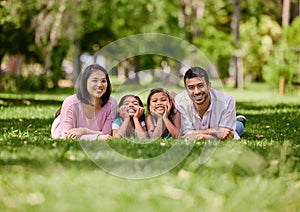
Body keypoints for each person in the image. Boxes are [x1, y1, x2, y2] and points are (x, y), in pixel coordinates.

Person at [175, 66, 246, 140]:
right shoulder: (180, 102)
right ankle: (238, 121)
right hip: (216, 128)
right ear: (186, 89)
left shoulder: (227, 101)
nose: (197, 92)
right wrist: (213, 132)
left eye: (201, 85)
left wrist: (196, 135)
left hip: (213, 127)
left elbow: (228, 135)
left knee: (237, 128)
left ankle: (240, 121)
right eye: (191, 87)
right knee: (236, 128)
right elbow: (184, 133)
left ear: (209, 86)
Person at [51, 64, 117, 140]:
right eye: (94, 80)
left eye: (103, 81)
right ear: (85, 83)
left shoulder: (111, 103)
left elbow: (106, 135)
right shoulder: (70, 102)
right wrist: (97, 137)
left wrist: (84, 131)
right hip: (62, 129)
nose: (99, 84)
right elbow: (66, 137)